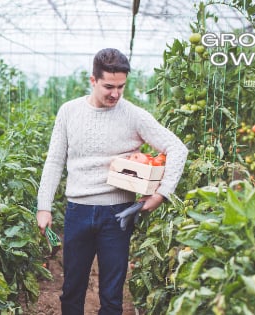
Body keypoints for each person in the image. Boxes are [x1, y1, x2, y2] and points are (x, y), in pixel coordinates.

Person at [35, 48, 188, 314]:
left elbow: (177, 148)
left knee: (112, 294)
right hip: (77, 212)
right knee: (72, 290)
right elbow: (54, 161)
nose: (115, 94)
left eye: (121, 87)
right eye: (108, 86)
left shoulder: (133, 115)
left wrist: (161, 193)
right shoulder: (69, 112)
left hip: (118, 214)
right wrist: (44, 206)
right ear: (92, 80)